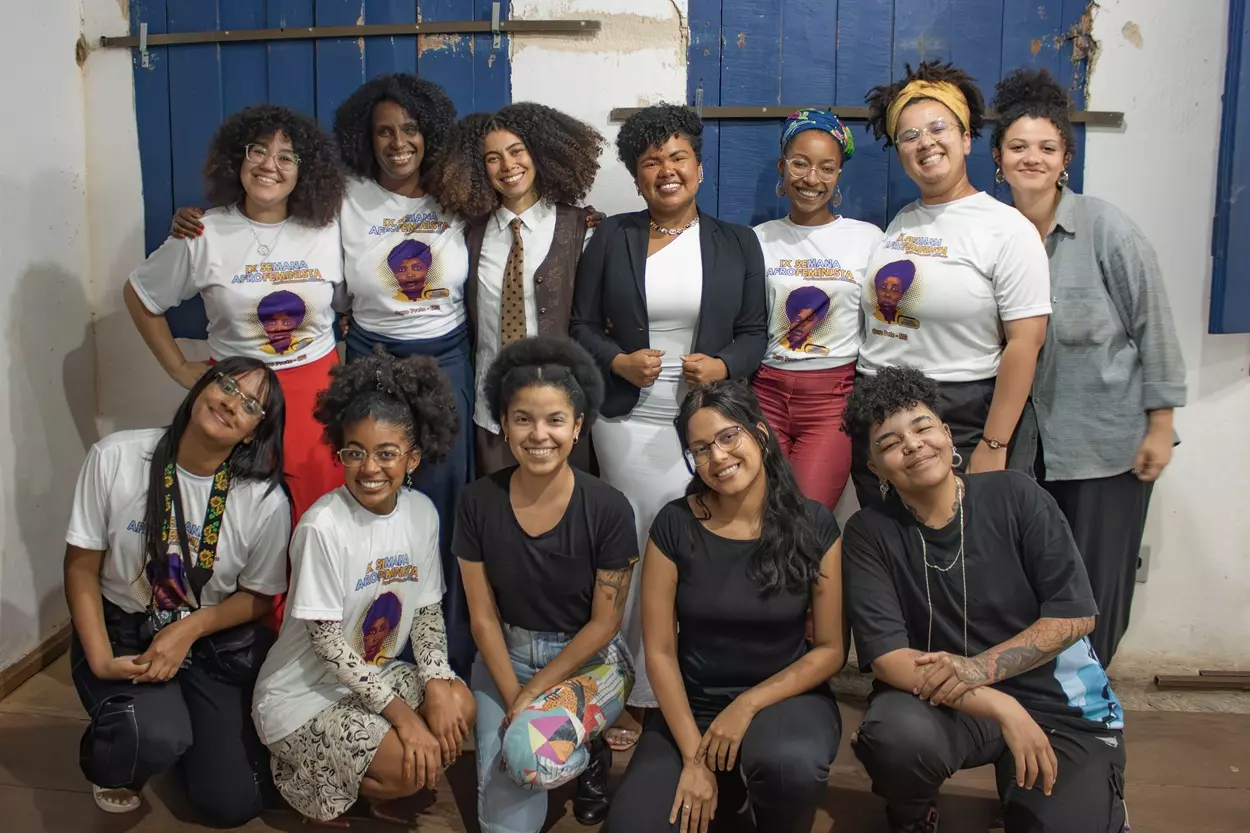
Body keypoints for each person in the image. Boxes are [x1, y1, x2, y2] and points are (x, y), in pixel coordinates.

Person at [170, 79, 477, 673]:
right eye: (384, 130)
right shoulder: (345, 197)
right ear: (367, 137)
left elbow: (521, 200)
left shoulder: (456, 193)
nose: (398, 142)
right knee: (366, 500)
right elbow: (275, 215)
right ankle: (356, 648)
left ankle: (438, 657)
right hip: (366, 356)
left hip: (447, 361)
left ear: (430, 134)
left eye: (410, 129)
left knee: (438, 507)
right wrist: (201, 220)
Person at [840, 366, 1127, 833]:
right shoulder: (869, 533)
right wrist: (998, 703)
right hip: (950, 704)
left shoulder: (1016, 495)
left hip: (1055, 704)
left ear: (949, 436)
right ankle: (912, 814)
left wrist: (981, 669)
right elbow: (890, 658)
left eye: (922, 427)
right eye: (890, 443)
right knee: (895, 737)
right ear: (875, 468)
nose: (912, 444)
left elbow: (1074, 617)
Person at [570, 103, 767, 729]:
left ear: (699, 169)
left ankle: (703, 673)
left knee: (707, 545)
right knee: (636, 541)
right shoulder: (612, 237)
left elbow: (754, 331)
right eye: (651, 162)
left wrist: (725, 368)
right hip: (629, 421)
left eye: (678, 157)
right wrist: (620, 361)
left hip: (707, 424)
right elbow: (580, 327)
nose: (666, 170)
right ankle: (632, 686)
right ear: (636, 177)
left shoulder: (738, 242)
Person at [990, 68, 1186, 667]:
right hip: (1026, 448)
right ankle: (1047, 696)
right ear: (998, 159)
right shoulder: (995, 235)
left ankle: (1093, 708)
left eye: (1047, 148)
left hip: (1105, 445)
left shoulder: (1106, 228)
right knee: (1034, 581)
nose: (1033, 158)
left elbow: (1154, 324)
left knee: (1098, 589)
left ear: (1065, 158)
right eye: (1018, 147)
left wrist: (1159, 423)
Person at [605, 380, 846, 833]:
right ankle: (727, 789)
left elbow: (831, 649)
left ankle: (762, 802)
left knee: (787, 767)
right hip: (694, 705)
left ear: (761, 432)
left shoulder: (814, 523)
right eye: (699, 449)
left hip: (785, 700)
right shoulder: (674, 525)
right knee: (631, 827)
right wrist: (695, 759)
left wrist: (747, 705)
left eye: (728, 436)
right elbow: (658, 651)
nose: (717, 457)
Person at [252, 347, 476, 827]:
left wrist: (436, 680)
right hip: (301, 695)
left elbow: (427, 612)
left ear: (413, 457)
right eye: (355, 452)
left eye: (387, 453)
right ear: (340, 453)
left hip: (370, 675)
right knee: (410, 759)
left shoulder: (421, 514)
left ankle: (372, 774)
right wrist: (404, 716)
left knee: (457, 705)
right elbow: (327, 644)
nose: (370, 468)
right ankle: (302, 781)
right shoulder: (322, 527)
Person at [64, 357, 291, 826]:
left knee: (232, 805)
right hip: (125, 632)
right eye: (226, 384)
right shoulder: (117, 457)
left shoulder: (264, 500)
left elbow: (259, 596)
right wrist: (103, 660)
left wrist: (191, 628)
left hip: (207, 643)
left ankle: (178, 731)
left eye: (251, 405)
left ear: (253, 432)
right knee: (153, 736)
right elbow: (81, 570)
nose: (231, 403)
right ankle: (115, 757)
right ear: (203, 386)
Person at [126, 104, 347, 546]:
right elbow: (140, 295)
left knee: (317, 515)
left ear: (306, 171)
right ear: (237, 159)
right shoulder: (203, 233)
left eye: (287, 157)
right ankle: (243, 612)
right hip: (235, 397)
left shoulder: (329, 229)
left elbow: (348, 305)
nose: (269, 165)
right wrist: (176, 367)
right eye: (258, 151)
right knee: (236, 517)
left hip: (315, 394)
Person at [454, 336, 637, 831]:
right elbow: (482, 615)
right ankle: (574, 744)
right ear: (504, 425)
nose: (540, 434)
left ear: (577, 426)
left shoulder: (609, 507)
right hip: (503, 658)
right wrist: (515, 692)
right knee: (507, 808)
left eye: (556, 419)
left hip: (592, 662)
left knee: (528, 755)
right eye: (523, 419)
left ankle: (585, 749)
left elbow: (605, 623)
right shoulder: (476, 502)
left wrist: (530, 695)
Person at [852, 60, 1053, 508]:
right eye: (910, 135)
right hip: (878, 411)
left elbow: (1026, 343)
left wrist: (995, 444)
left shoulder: (1007, 229)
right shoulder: (902, 222)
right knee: (891, 550)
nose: (925, 142)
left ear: (965, 138)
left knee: (959, 555)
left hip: (958, 414)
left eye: (938, 127)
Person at [426, 102, 605, 476]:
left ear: (540, 152)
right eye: (492, 158)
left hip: (562, 410)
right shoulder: (469, 234)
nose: (507, 166)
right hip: (494, 412)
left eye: (516, 151)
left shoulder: (579, 228)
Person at [752, 108, 883, 512]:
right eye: (801, 164)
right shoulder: (757, 239)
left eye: (827, 167)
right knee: (758, 513)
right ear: (782, 166)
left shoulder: (867, 239)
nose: (812, 179)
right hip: (765, 393)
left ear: (839, 174)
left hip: (832, 400)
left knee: (807, 518)